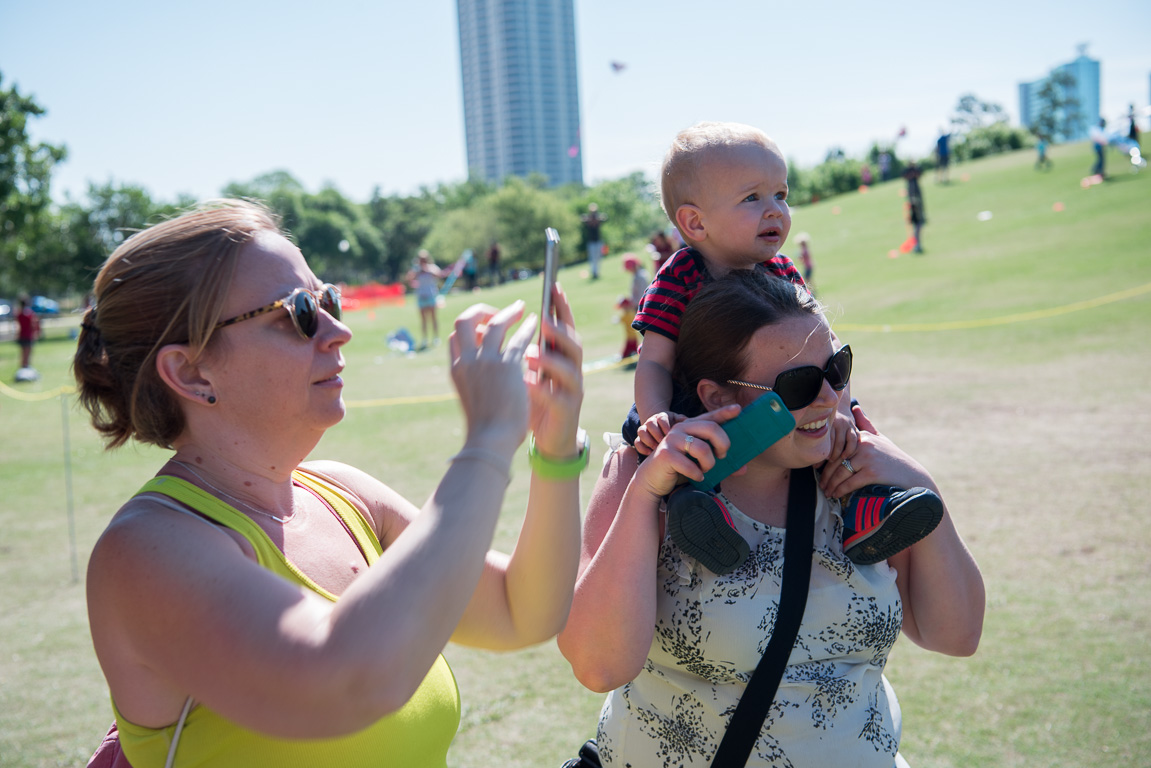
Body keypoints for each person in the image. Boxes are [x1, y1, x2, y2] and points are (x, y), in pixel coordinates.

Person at [73, 200, 588, 767]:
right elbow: (347, 682)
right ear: (191, 372)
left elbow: (523, 610)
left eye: (328, 299)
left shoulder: (344, 494)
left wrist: (555, 447)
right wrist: (487, 443)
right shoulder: (146, 552)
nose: (338, 330)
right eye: (297, 312)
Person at [558, 269, 985, 768]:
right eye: (800, 384)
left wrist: (920, 484)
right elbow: (597, 665)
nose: (828, 397)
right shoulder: (643, 474)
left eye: (837, 370)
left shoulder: (862, 484)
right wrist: (644, 493)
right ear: (719, 397)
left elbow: (956, 636)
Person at [625, 122, 941, 566]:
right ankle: (705, 522)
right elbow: (654, 361)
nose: (775, 210)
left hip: (796, 399)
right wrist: (657, 417)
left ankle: (867, 511)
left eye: (781, 194)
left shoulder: (783, 271)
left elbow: (829, 348)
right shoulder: (679, 275)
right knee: (676, 455)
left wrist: (841, 408)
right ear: (695, 222)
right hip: (698, 409)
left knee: (848, 438)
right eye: (752, 198)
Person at [407, 249, 444, 350]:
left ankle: (436, 338)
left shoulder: (432, 267)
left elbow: (439, 275)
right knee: (423, 320)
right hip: (421, 296)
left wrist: (428, 270)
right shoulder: (416, 269)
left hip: (431, 295)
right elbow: (409, 278)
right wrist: (416, 272)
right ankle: (424, 339)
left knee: (433, 318)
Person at [616, 253, 649, 362]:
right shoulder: (637, 276)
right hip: (638, 306)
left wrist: (629, 303)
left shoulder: (640, 277)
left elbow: (640, 295)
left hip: (643, 307)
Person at [903, 161, 925, 253]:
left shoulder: (915, 176)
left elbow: (920, 172)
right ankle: (916, 245)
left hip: (917, 202)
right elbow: (903, 174)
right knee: (916, 224)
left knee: (918, 224)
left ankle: (917, 244)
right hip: (913, 203)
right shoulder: (909, 177)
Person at [581, 203, 607, 280]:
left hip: (598, 241)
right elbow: (583, 219)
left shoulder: (598, 218)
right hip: (591, 242)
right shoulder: (588, 219)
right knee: (592, 258)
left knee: (598, 257)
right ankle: (594, 273)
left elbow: (604, 218)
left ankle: (597, 272)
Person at [15, 296, 40, 371]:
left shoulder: (19, 314)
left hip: (22, 335)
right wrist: (36, 332)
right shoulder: (30, 314)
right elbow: (34, 324)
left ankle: (23, 367)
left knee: (23, 353)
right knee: (28, 353)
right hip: (28, 336)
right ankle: (26, 368)